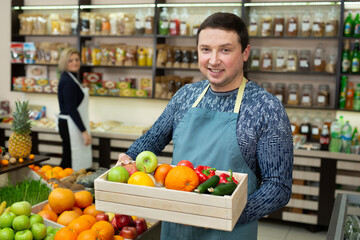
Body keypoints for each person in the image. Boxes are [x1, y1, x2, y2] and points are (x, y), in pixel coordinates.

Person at [117, 12, 293, 240]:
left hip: (229, 231)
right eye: (206, 49)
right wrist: (129, 159)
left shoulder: (265, 107)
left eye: (225, 50)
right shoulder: (185, 95)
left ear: (245, 53)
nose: (213, 60)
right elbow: (152, 140)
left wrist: (222, 214)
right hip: (177, 227)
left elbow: (278, 187)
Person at [57, 47, 92, 171]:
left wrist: (82, 88)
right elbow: (72, 108)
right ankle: (57, 186)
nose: (75, 63)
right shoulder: (68, 81)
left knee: (70, 158)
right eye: (70, 60)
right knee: (68, 159)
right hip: (69, 125)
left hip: (70, 123)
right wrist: (84, 132)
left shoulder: (72, 78)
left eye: (77, 60)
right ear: (64, 63)